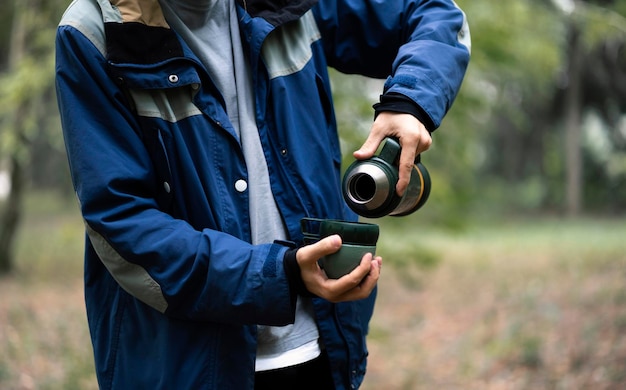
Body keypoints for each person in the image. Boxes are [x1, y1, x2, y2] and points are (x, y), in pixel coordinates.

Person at [55, 0, 470, 388]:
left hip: (321, 350)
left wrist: (411, 101)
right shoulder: (94, 32)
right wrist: (279, 275)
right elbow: (123, 224)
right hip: (183, 367)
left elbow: (434, 13)